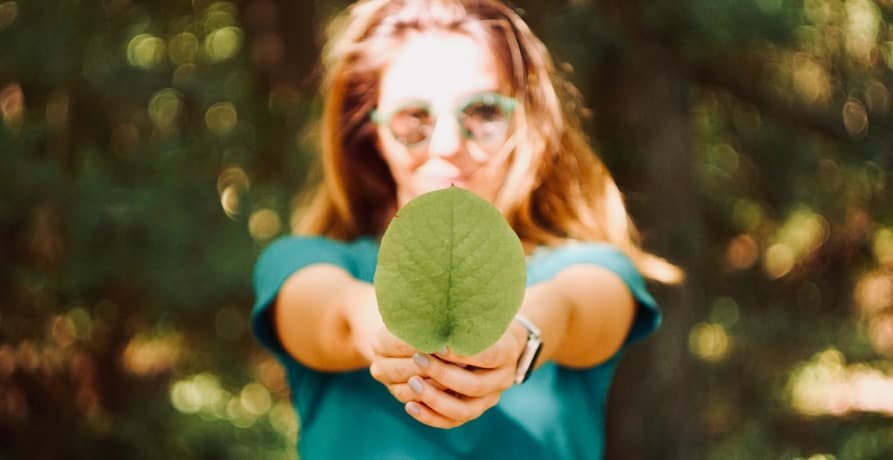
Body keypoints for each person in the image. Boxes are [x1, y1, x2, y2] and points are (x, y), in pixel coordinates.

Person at [250, 0, 682, 458]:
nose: (448, 144)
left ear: (524, 120)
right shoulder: (302, 262)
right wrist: (381, 330)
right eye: (413, 118)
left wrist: (520, 336)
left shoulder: (589, 267)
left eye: (483, 112)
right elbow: (332, 315)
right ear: (372, 132)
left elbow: (573, 310)